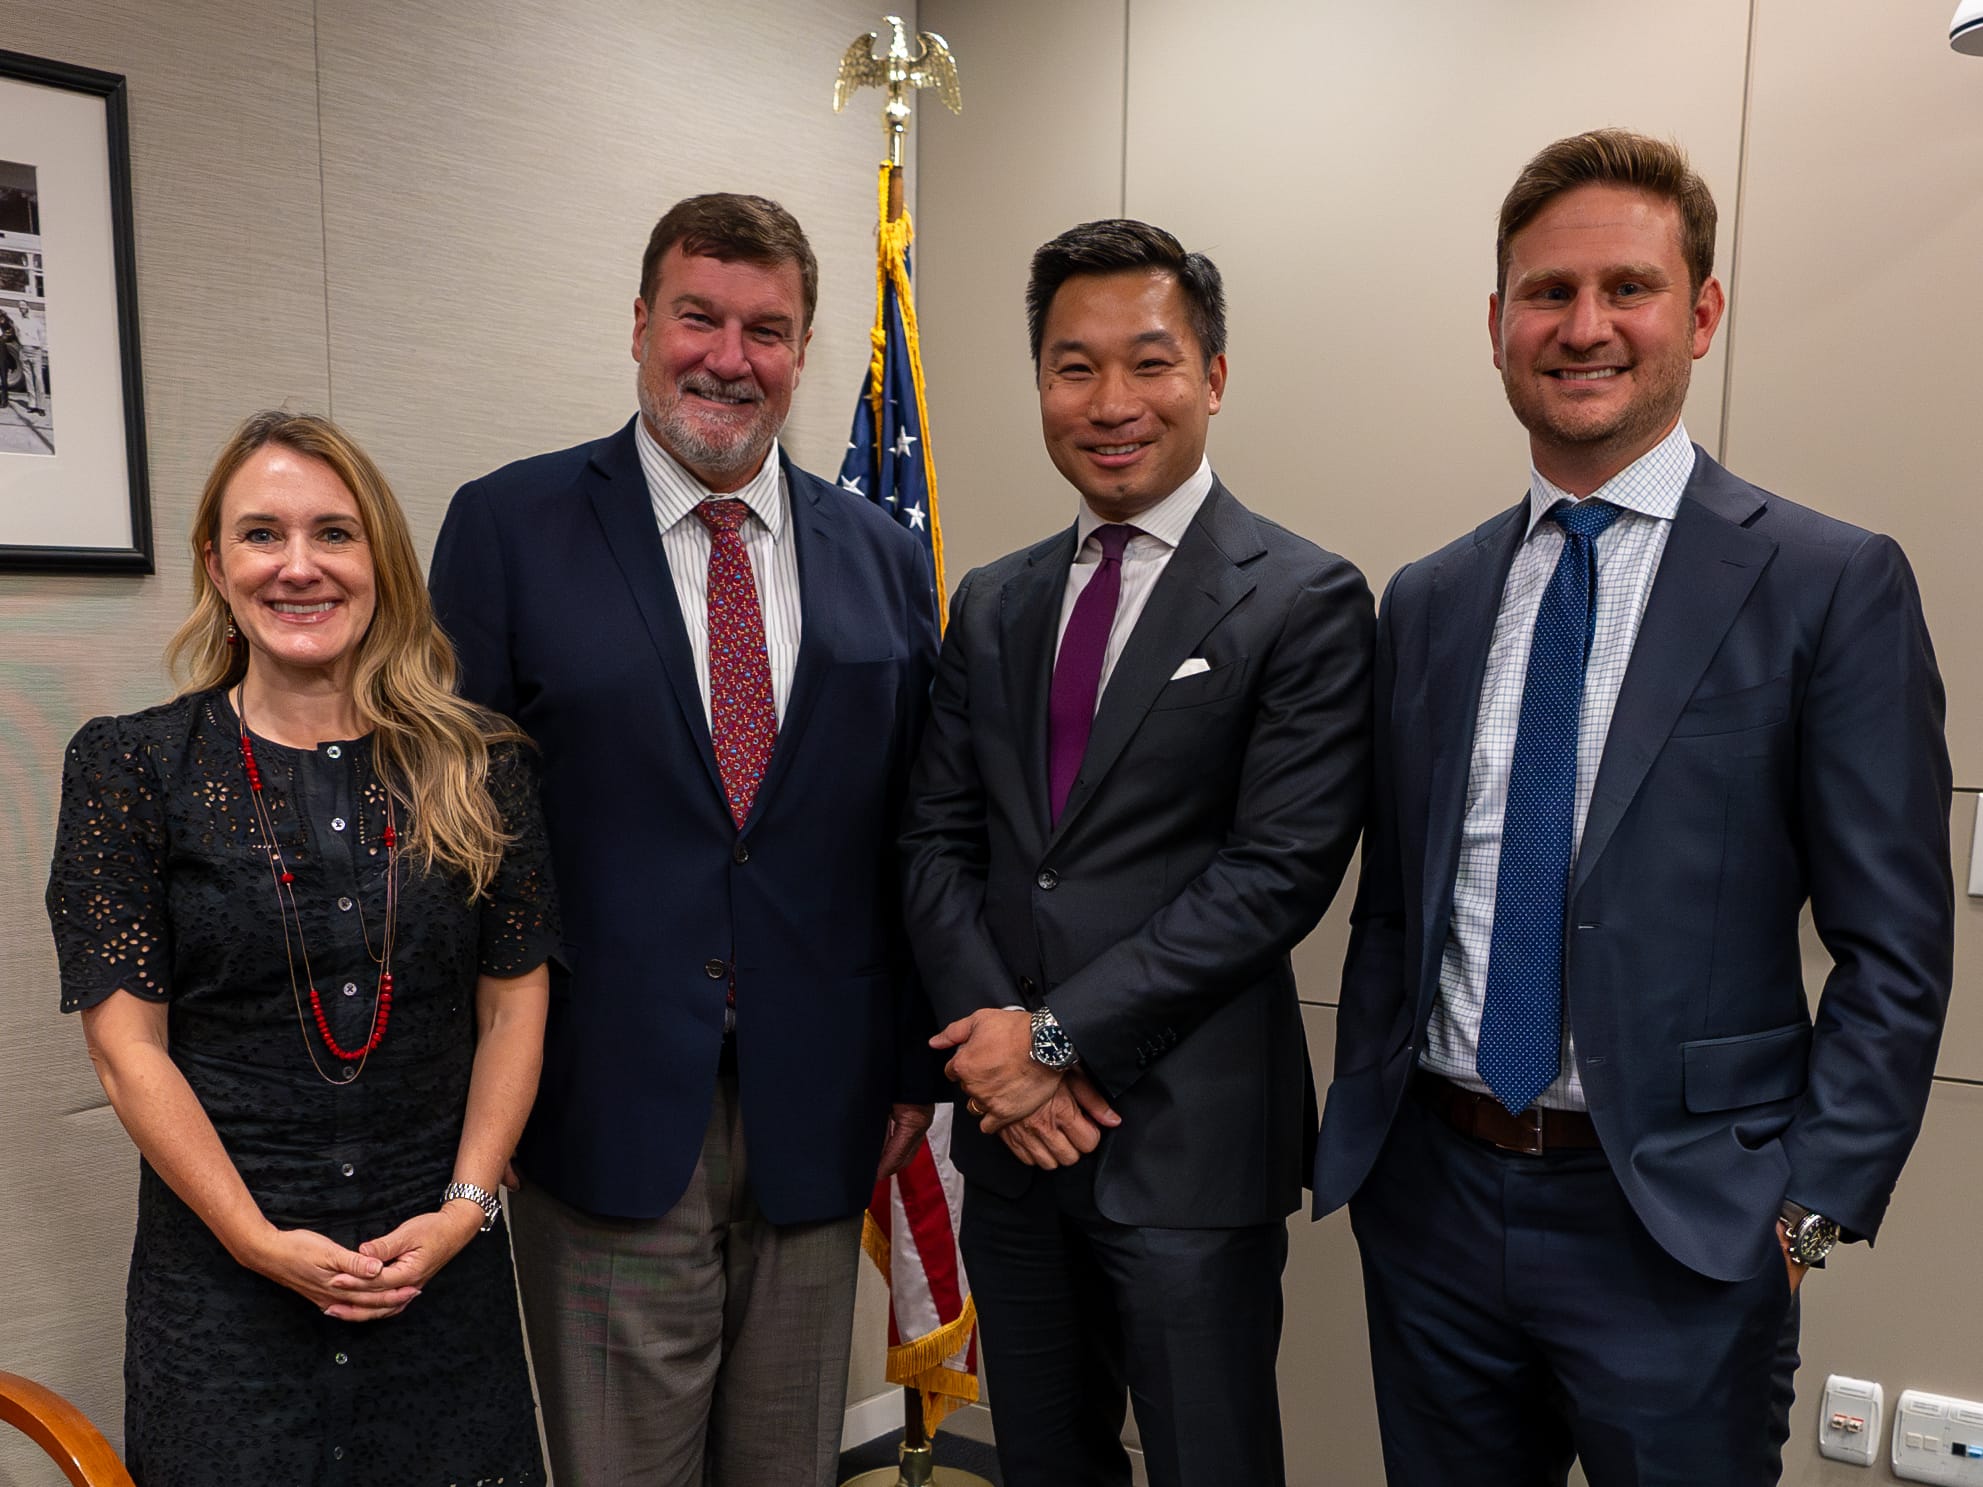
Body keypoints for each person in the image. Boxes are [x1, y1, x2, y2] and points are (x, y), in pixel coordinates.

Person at [1312, 129, 1955, 1486]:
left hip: (1677, 1227)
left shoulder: (1825, 585)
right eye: (1545, 293)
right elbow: (1396, 902)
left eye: (1627, 288)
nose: (1582, 326)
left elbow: (1893, 942)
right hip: (1430, 1202)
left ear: (1700, 313)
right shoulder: (1426, 597)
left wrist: (1807, 1204)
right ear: (1495, 325)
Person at [429, 192, 942, 1486]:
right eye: (697, 317)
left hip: (821, 1112)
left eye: (765, 328)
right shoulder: (509, 528)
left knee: (785, 1466)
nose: (727, 355)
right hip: (600, 1102)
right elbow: (457, 831)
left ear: (805, 345)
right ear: (640, 324)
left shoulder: (879, 555)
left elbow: (914, 827)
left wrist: (909, 1060)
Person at [899, 219, 1374, 1487]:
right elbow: (938, 839)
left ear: (1212, 376)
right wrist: (1000, 1048)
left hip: (1187, 1150)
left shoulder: (1305, 597)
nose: (1111, 403)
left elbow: (1276, 872)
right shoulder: (993, 599)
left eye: (1149, 362)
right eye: (1073, 366)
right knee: (1044, 1465)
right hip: (1011, 1148)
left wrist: (1053, 1039)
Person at [46, 410, 557, 1486]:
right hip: (224, 1303)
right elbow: (125, 1053)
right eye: (261, 535)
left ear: (381, 562)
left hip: (439, 1281)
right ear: (216, 566)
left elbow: (513, 1006)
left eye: (333, 532)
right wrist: (251, 1237)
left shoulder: (481, 767)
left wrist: (466, 1209)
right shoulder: (132, 768)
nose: (298, 566)